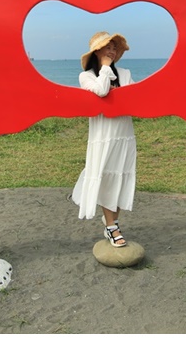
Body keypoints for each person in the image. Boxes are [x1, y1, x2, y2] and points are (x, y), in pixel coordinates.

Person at [71, 31, 136, 247]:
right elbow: (101, 91)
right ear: (97, 51)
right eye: (108, 47)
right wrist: (106, 68)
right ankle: (112, 226)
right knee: (105, 177)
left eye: (114, 48)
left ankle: (112, 224)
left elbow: (134, 98)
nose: (112, 51)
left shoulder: (125, 73)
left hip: (123, 134)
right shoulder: (86, 76)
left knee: (118, 178)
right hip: (102, 134)